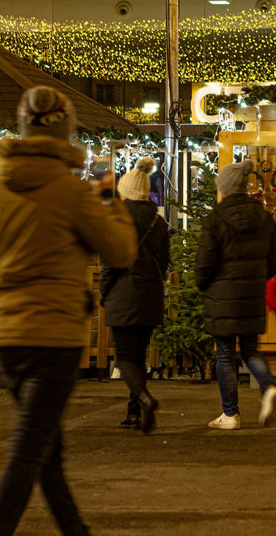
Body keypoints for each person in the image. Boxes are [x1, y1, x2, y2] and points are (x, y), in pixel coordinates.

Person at [0, 86, 136, 536]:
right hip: (56, 333)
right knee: (30, 447)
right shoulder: (75, 193)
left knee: (45, 449)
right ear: (67, 132)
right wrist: (109, 201)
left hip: (7, 335)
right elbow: (120, 251)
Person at [195, 159, 276, 430]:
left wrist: (204, 285)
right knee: (250, 348)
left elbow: (204, 262)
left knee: (224, 353)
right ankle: (268, 387)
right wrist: (260, 276)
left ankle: (230, 414)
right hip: (252, 294)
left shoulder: (215, 218)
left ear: (222, 189)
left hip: (220, 295)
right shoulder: (262, 217)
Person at [102, 156, 170, 433]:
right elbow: (165, 262)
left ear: (126, 192)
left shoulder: (117, 219)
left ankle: (143, 399)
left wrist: (104, 294)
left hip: (123, 293)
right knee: (138, 355)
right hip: (150, 294)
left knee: (124, 357)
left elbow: (110, 263)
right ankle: (134, 412)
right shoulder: (159, 223)